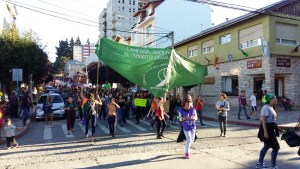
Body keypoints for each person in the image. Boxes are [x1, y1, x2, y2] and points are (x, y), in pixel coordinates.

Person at [256, 94, 280, 169]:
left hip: (271, 128)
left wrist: (277, 128)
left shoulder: (271, 107)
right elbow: (263, 120)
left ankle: (260, 164)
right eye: (274, 98)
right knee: (276, 147)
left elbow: (273, 120)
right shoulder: (265, 107)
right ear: (270, 100)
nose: (276, 99)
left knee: (266, 146)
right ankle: (272, 165)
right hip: (267, 129)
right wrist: (265, 132)